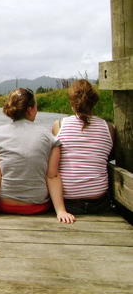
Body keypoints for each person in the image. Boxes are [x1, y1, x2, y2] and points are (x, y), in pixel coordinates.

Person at [0, 88, 75, 223]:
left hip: (3, 205)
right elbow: (52, 175)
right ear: (29, 110)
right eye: (36, 107)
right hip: (38, 206)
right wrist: (61, 211)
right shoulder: (49, 137)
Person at [52, 79, 115, 214]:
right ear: (94, 102)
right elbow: (107, 155)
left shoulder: (59, 125)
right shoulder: (108, 128)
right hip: (98, 203)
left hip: (68, 203)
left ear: (72, 103)